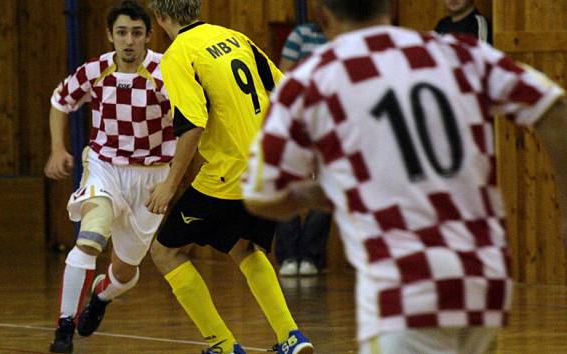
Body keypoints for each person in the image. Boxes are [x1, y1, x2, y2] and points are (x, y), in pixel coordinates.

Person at [243, 1, 566, 354]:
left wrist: (320, 192)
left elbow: (261, 194)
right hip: (483, 280)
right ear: (392, 7)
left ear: (320, 13)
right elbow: (553, 107)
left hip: (405, 289)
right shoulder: (458, 52)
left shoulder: (312, 78)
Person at [146, 1, 313, 354]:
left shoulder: (178, 55)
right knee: (246, 247)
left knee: (165, 251)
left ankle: (222, 344)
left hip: (230, 173)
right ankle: (292, 337)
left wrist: (168, 186)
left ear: (160, 18)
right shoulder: (233, 37)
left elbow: (192, 125)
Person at [45, 1, 175, 352]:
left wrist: (172, 180)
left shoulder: (168, 73)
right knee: (90, 238)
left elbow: (193, 123)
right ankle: (64, 328)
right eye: (121, 33)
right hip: (104, 167)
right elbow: (60, 101)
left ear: (148, 36)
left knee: (124, 272)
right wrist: (58, 149)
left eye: (136, 33)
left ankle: (102, 297)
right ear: (110, 35)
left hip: (152, 178)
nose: (128, 41)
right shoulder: (95, 70)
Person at [275, 3, 332, 278]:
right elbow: (282, 77)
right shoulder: (301, 34)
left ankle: (311, 255)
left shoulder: (344, 38)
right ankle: (287, 255)